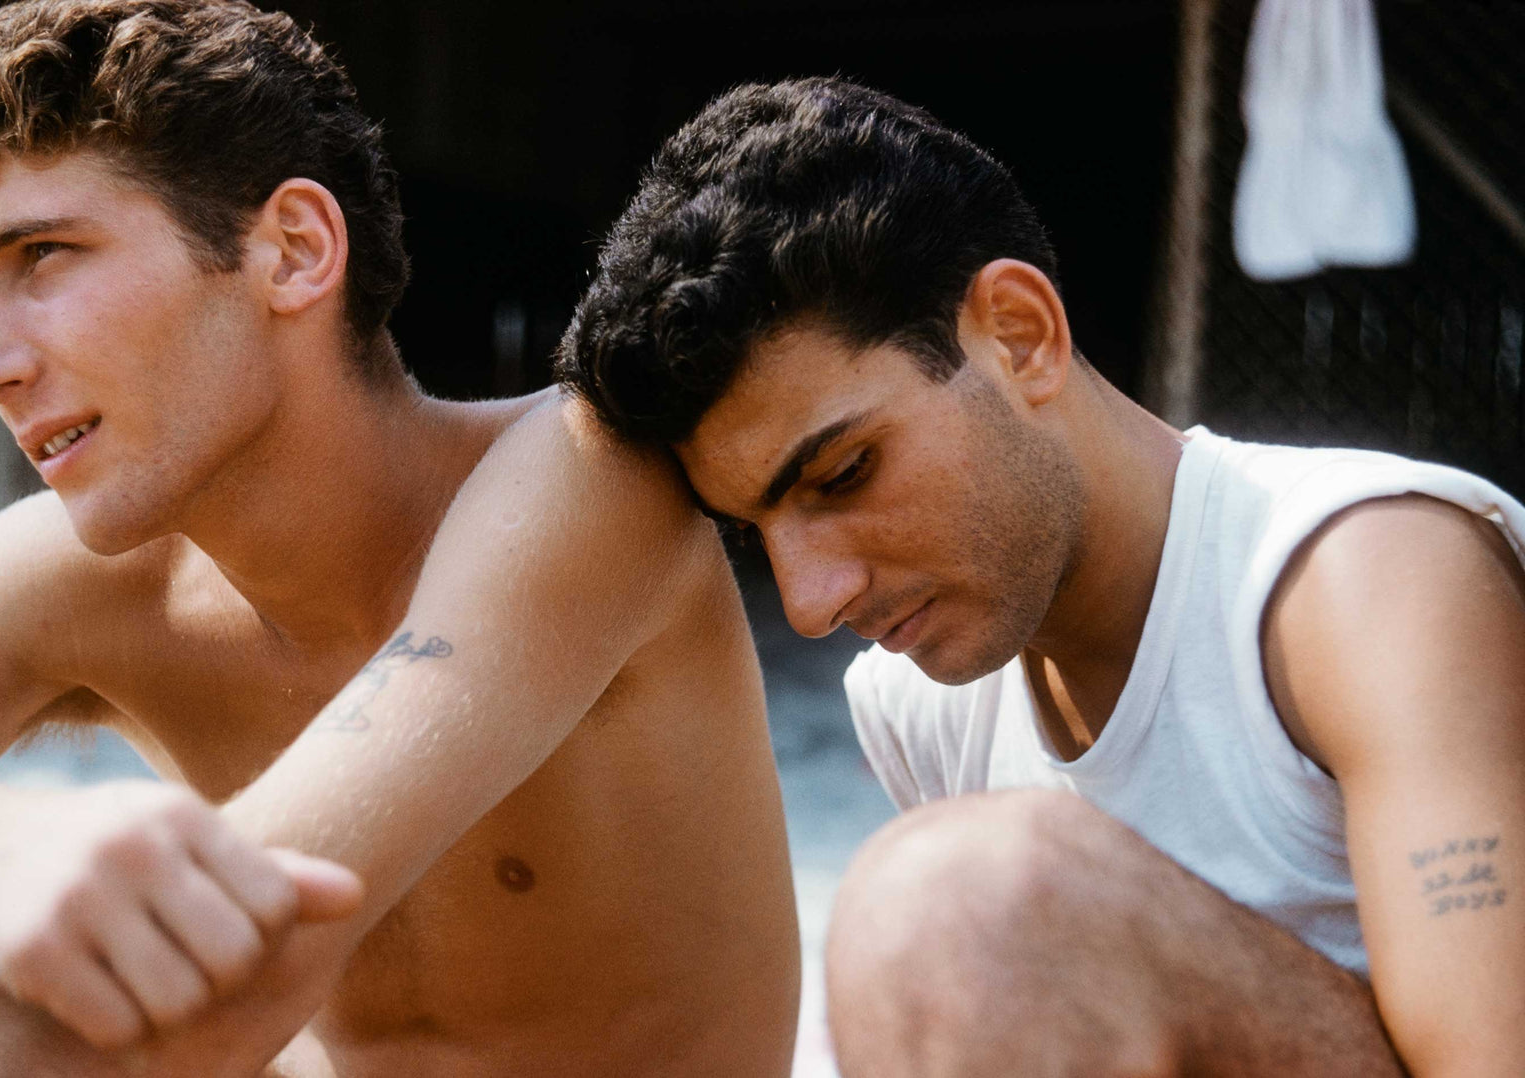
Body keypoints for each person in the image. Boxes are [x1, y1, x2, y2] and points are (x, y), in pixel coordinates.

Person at [559, 76, 1525, 1077]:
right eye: (756, 535)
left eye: (843, 473)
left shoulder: (1363, 579)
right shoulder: (922, 706)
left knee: (951, 905)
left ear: (1019, 336)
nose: (809, 603)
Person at [0, 3, 800, 1076]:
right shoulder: (48, 585)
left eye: (43, 255)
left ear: (294, 250)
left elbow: (246, 948)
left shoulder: (586, 475)